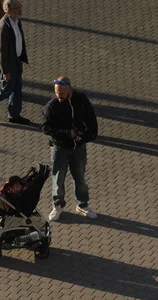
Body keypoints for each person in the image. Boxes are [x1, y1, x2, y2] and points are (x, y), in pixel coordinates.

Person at [41, 76, 99, 221]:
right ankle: (58, 205)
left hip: (78, 148)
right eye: (56, 93)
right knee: (58, 179)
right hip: (60, 148)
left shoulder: (81, 100)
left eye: (61, 93)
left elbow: (91, 118)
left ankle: (82, 204)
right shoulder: (51, 106)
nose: (59, 96)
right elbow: (46, 128)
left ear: (70, 90)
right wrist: (67, 133)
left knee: (80, 177)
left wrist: (87, 135)